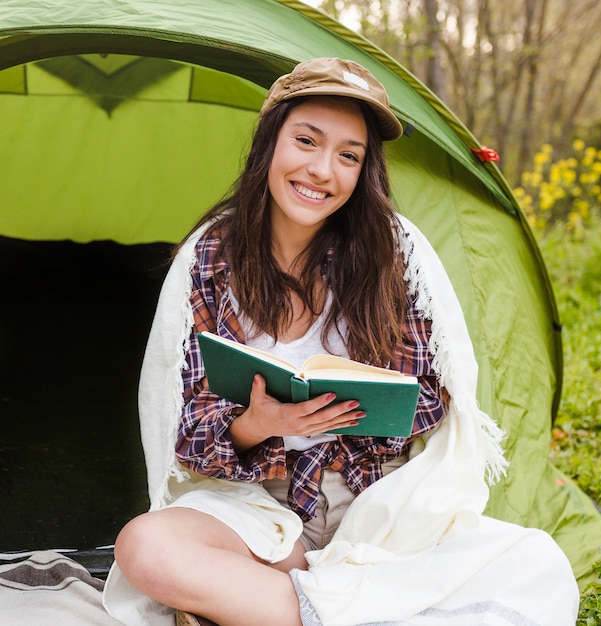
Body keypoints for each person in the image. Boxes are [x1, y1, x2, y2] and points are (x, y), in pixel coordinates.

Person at [108, 57, 449, 626]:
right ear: (271, 142)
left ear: (364, 172)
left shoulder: (393, 253)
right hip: (257, 503)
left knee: (533, 564)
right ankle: (329, 606)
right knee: (145, 547)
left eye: (348, 155)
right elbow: (184, 428)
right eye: (307, 141)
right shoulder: (212, 257)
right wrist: (260, 424)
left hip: (369, 501)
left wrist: (343, 413)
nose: (321, 170)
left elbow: (433, 397)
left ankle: (264, 606)